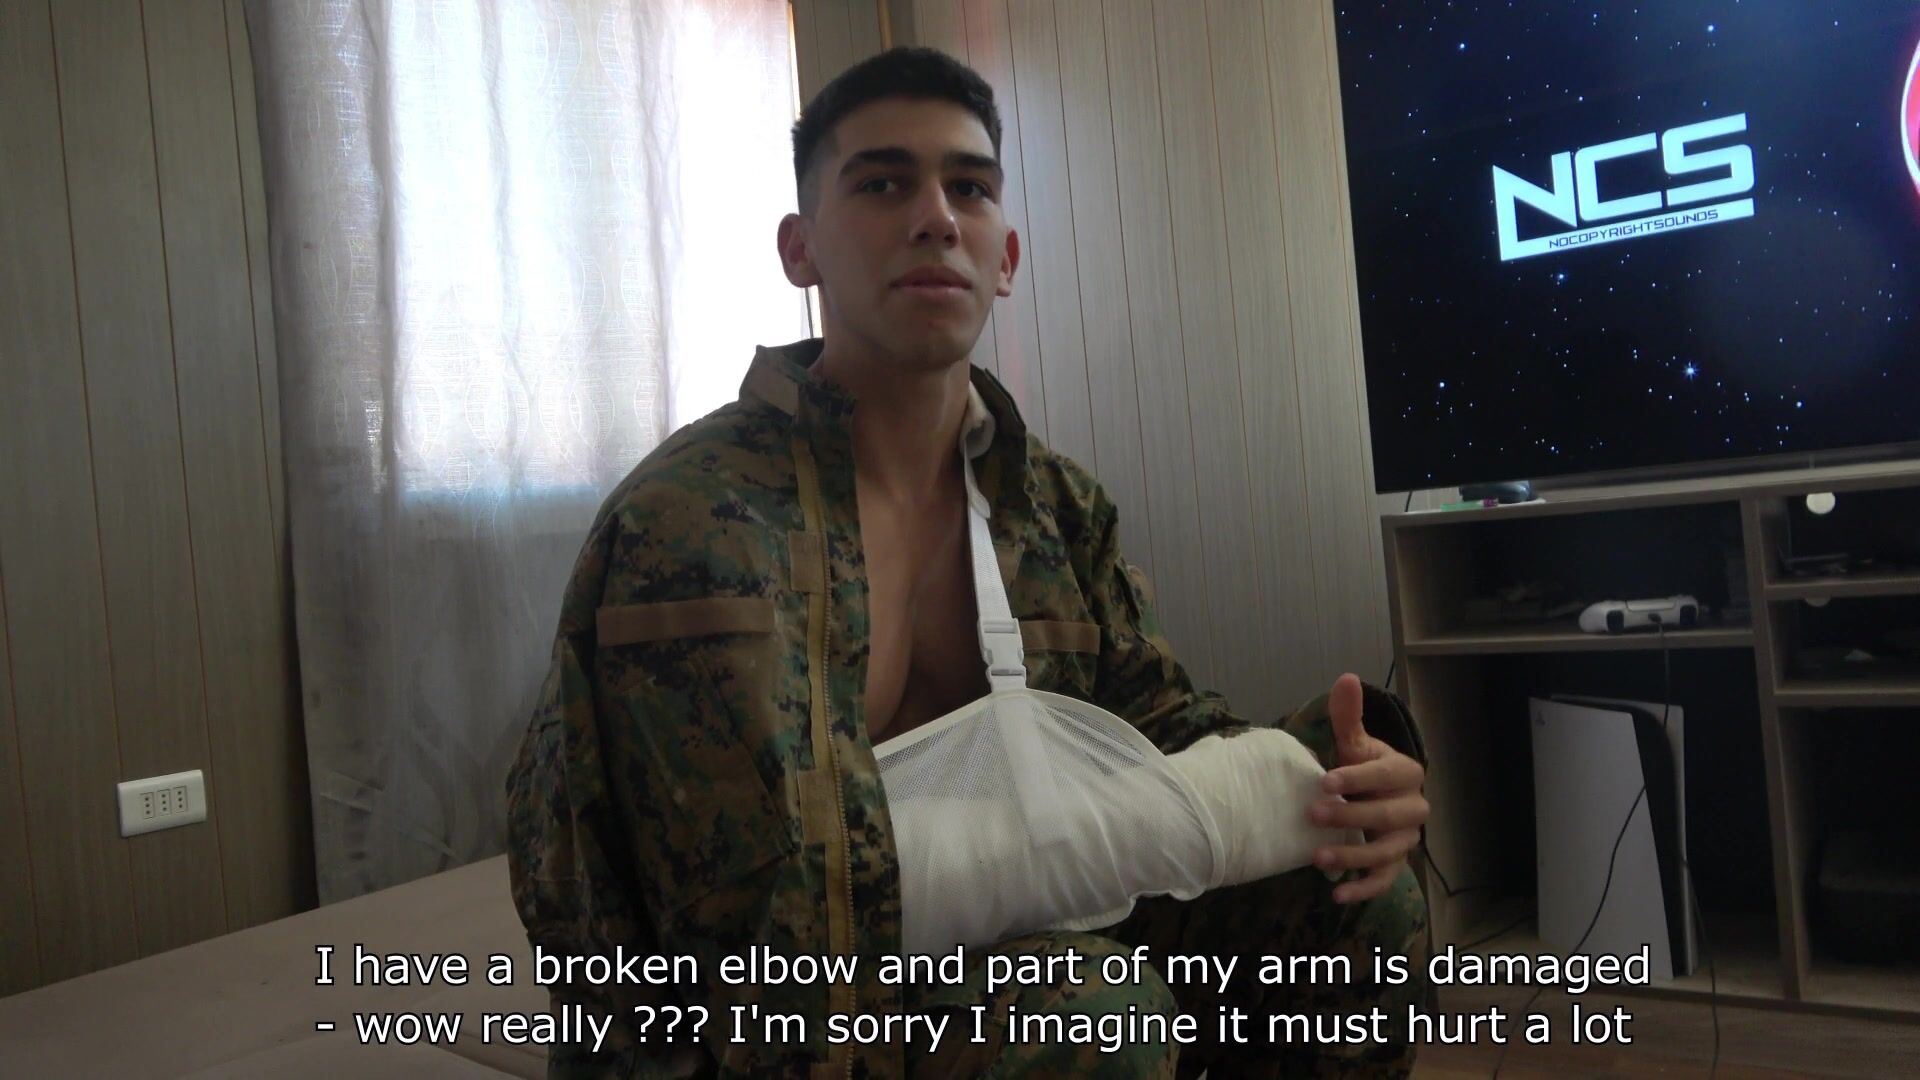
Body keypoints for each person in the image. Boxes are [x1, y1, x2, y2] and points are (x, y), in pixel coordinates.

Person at [506, 46, 1431, 1079]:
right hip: (771, 1017)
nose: (936, 217)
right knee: (1089, 1015)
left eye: (970, 188)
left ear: (1005, 257)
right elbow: (708, 909)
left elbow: (1154, 725)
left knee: (1362, 898)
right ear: (801, 249)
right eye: (882, 183)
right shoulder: (691, 524)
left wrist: (1331, 780)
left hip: (1027, 943)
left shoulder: (1056, 505)